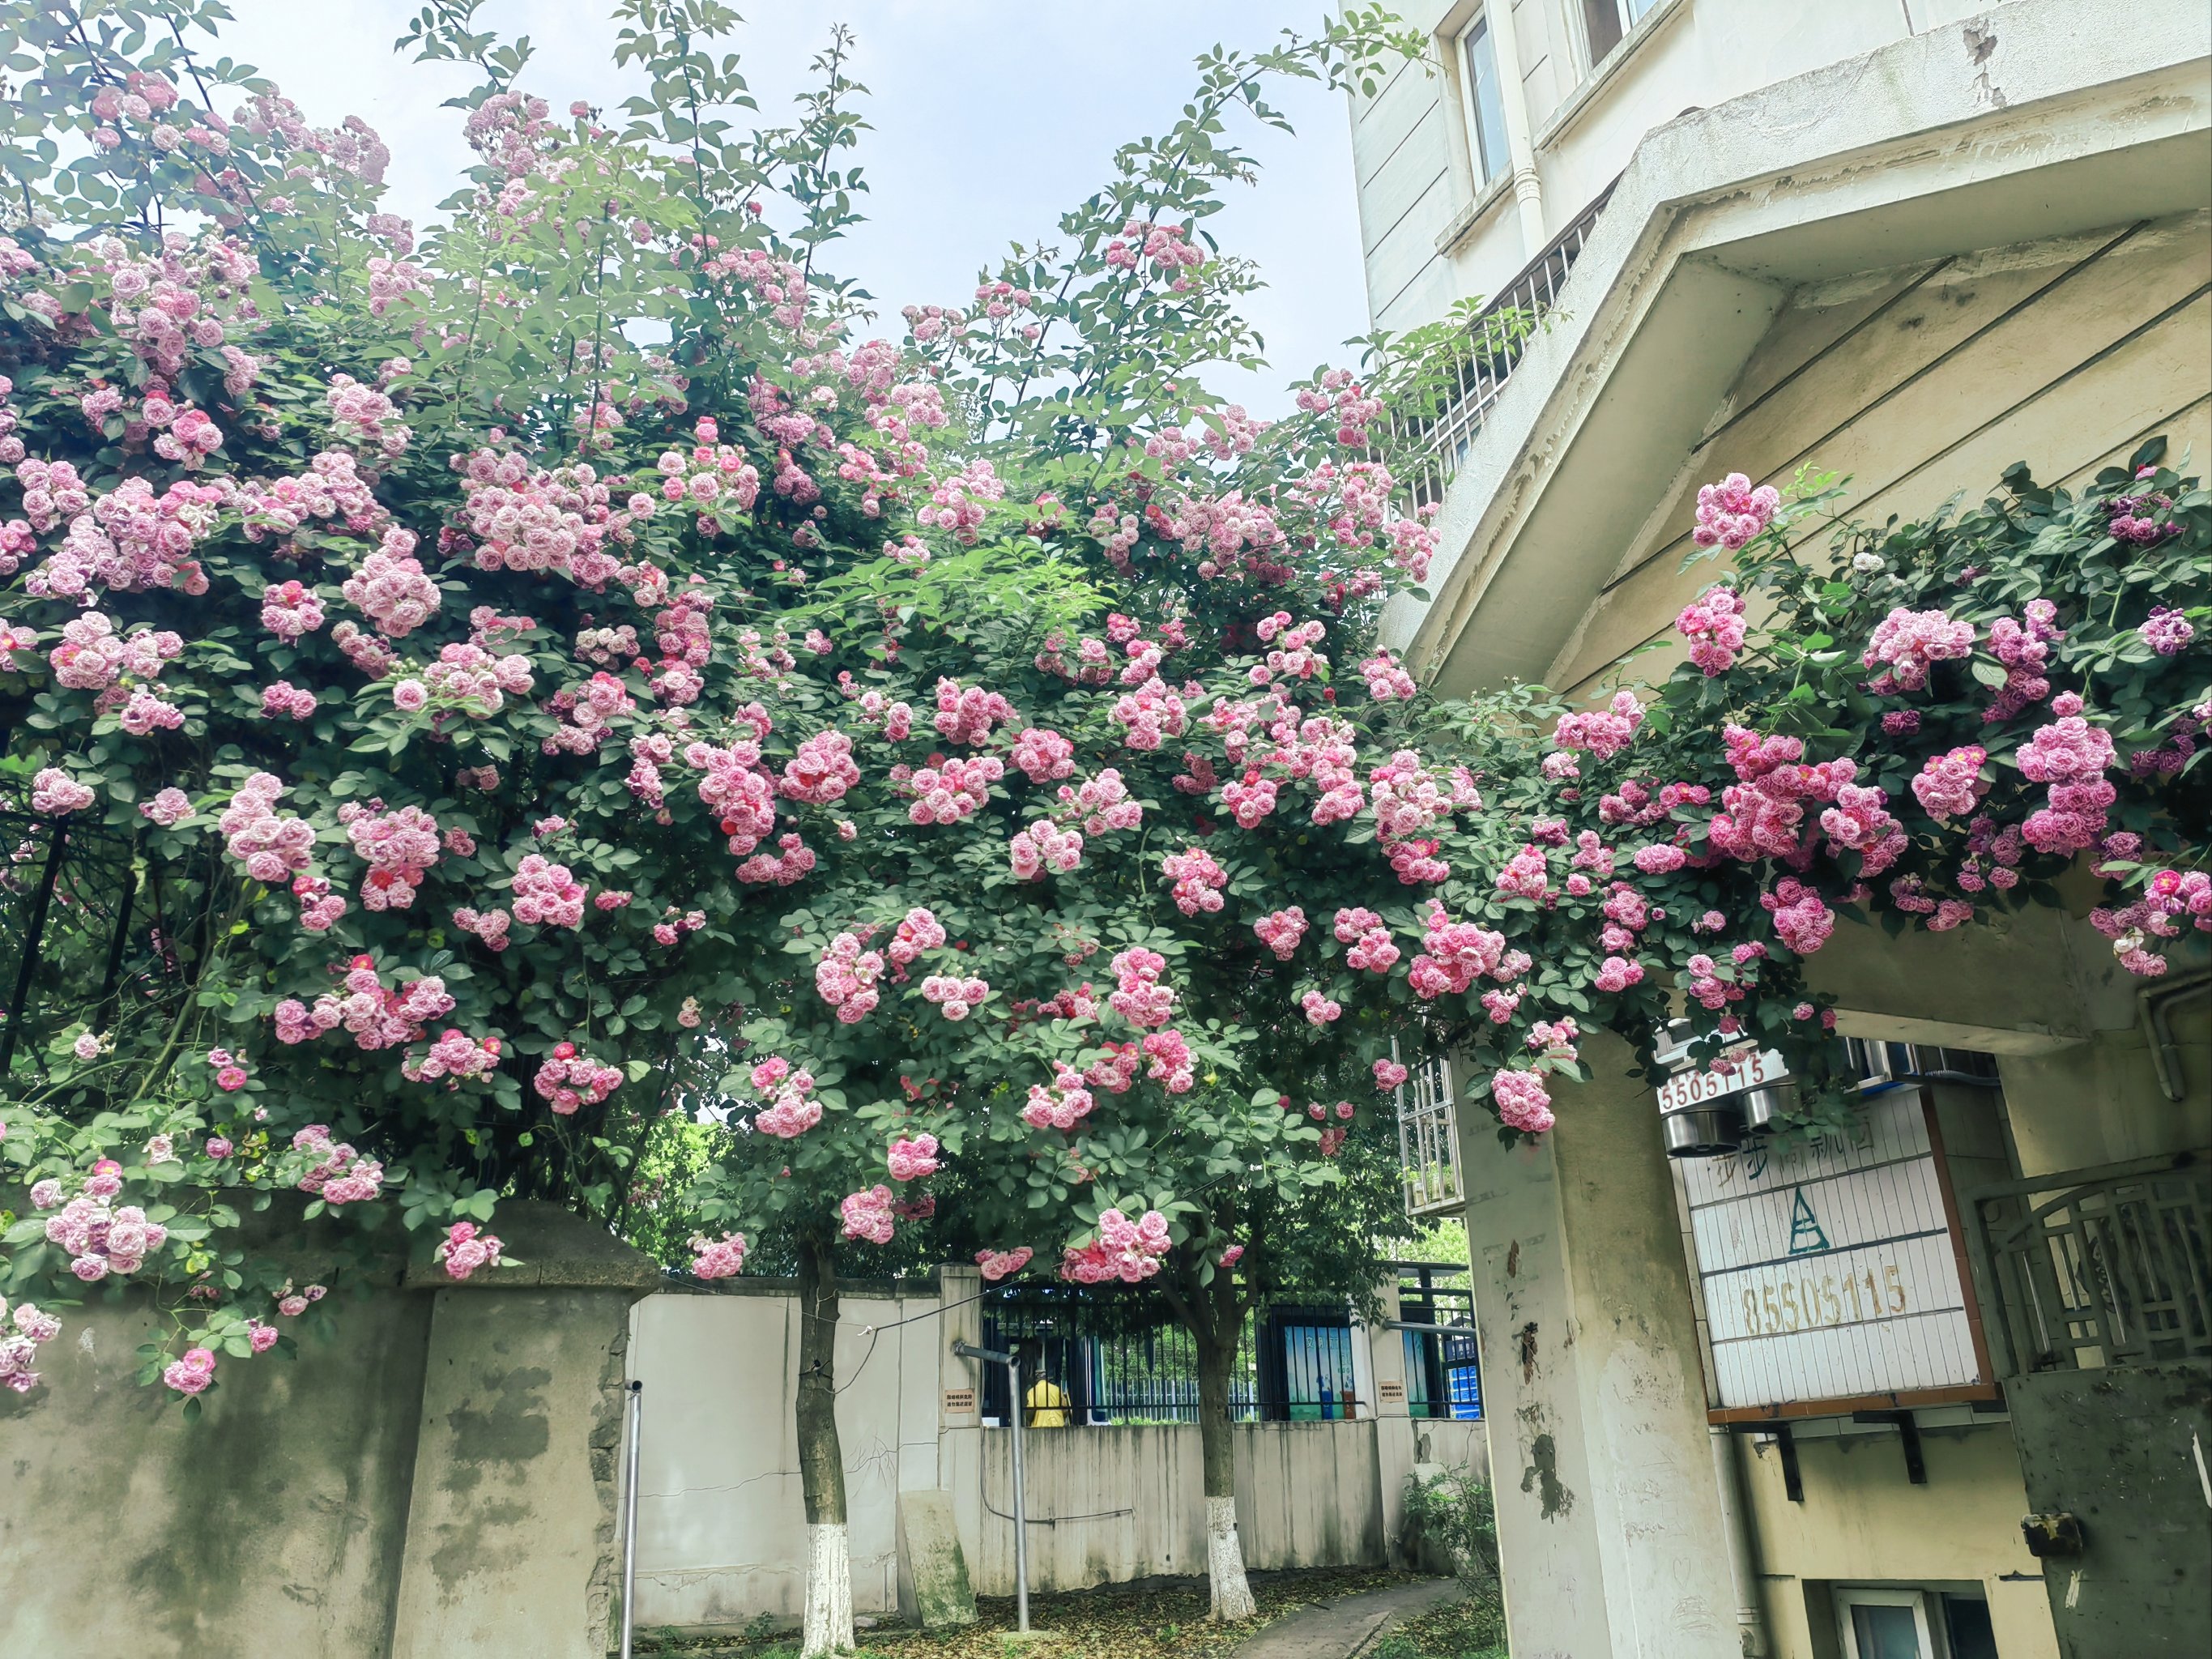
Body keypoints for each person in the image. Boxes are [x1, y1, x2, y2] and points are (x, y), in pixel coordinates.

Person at [1023, 1346, 1071, 1427]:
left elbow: (1030, 1411)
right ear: (1046, 1378)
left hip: (1040, 1427)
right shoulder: (1057, 1390)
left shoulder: (1033, 1391)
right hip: (1058, 1426)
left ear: (1036, 1380)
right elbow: (1065, 1409)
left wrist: (1028, 1420)